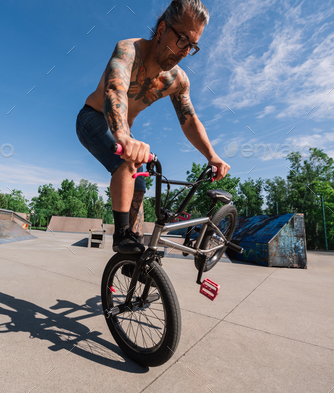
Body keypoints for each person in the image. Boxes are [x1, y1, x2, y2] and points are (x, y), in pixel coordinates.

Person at [76, 0, 230, 254]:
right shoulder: (129, 50)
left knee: (140, 182)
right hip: (93, 118)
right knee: (127, 163)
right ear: (161, 30)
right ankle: (122, 237)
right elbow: (115, 89)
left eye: (192, 47)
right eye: (182, 40)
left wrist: (211, 155)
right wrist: (124, 137)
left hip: (123, 131)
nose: (184, 53)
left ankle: (133, 251)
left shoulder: (177, 80)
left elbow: (189, 119)